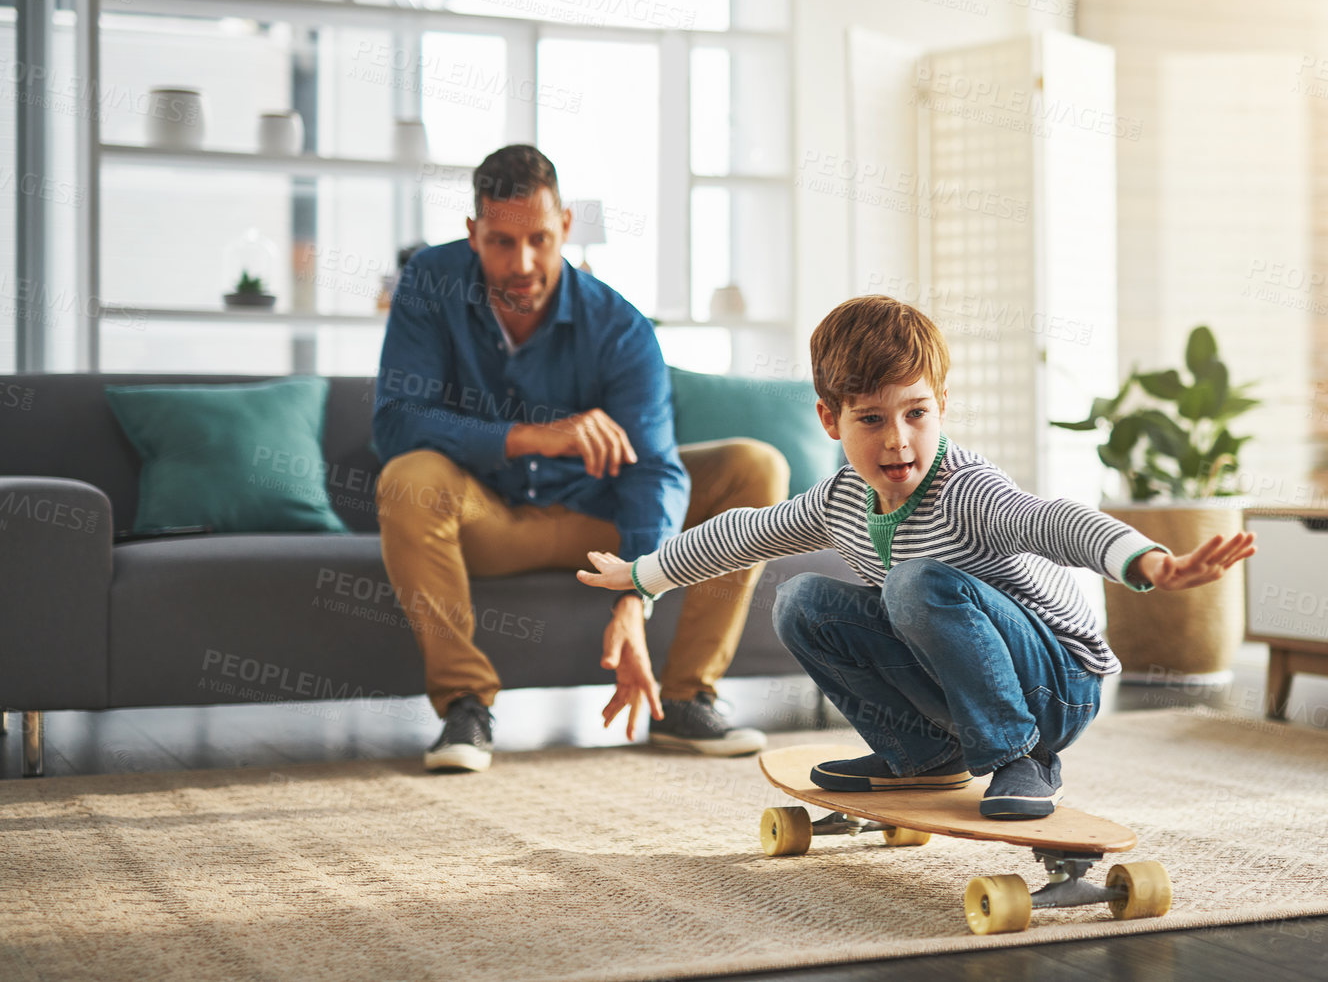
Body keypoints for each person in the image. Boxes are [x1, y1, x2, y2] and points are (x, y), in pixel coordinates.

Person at [577, 295, 1256, 818]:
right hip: (960, 686)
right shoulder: (839, 498)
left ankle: (1023, 759)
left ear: (942, 406)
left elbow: (1054, 521)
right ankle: (922, 753)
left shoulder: (967, 490)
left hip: (1056, 684)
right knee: (802, 601)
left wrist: (1147, 562)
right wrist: (642, 575)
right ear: (829, 421)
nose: (897, 440)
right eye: (870, 419)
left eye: (916, 413)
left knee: (914, 585)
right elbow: (744, 532)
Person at [373, 144, 786, 773]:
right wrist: (528, 437)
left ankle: (686, 699)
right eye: (500, 243)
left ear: (565, 226)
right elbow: (397, 424)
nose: (523, 263)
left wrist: (636, 593)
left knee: (756, 467)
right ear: (471, 233)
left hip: (604, 528)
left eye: (540, 238)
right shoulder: (429, 286)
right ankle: (465, 706)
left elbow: (654, 468)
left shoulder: (617, 325)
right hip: (489, 520)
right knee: (407, 477)